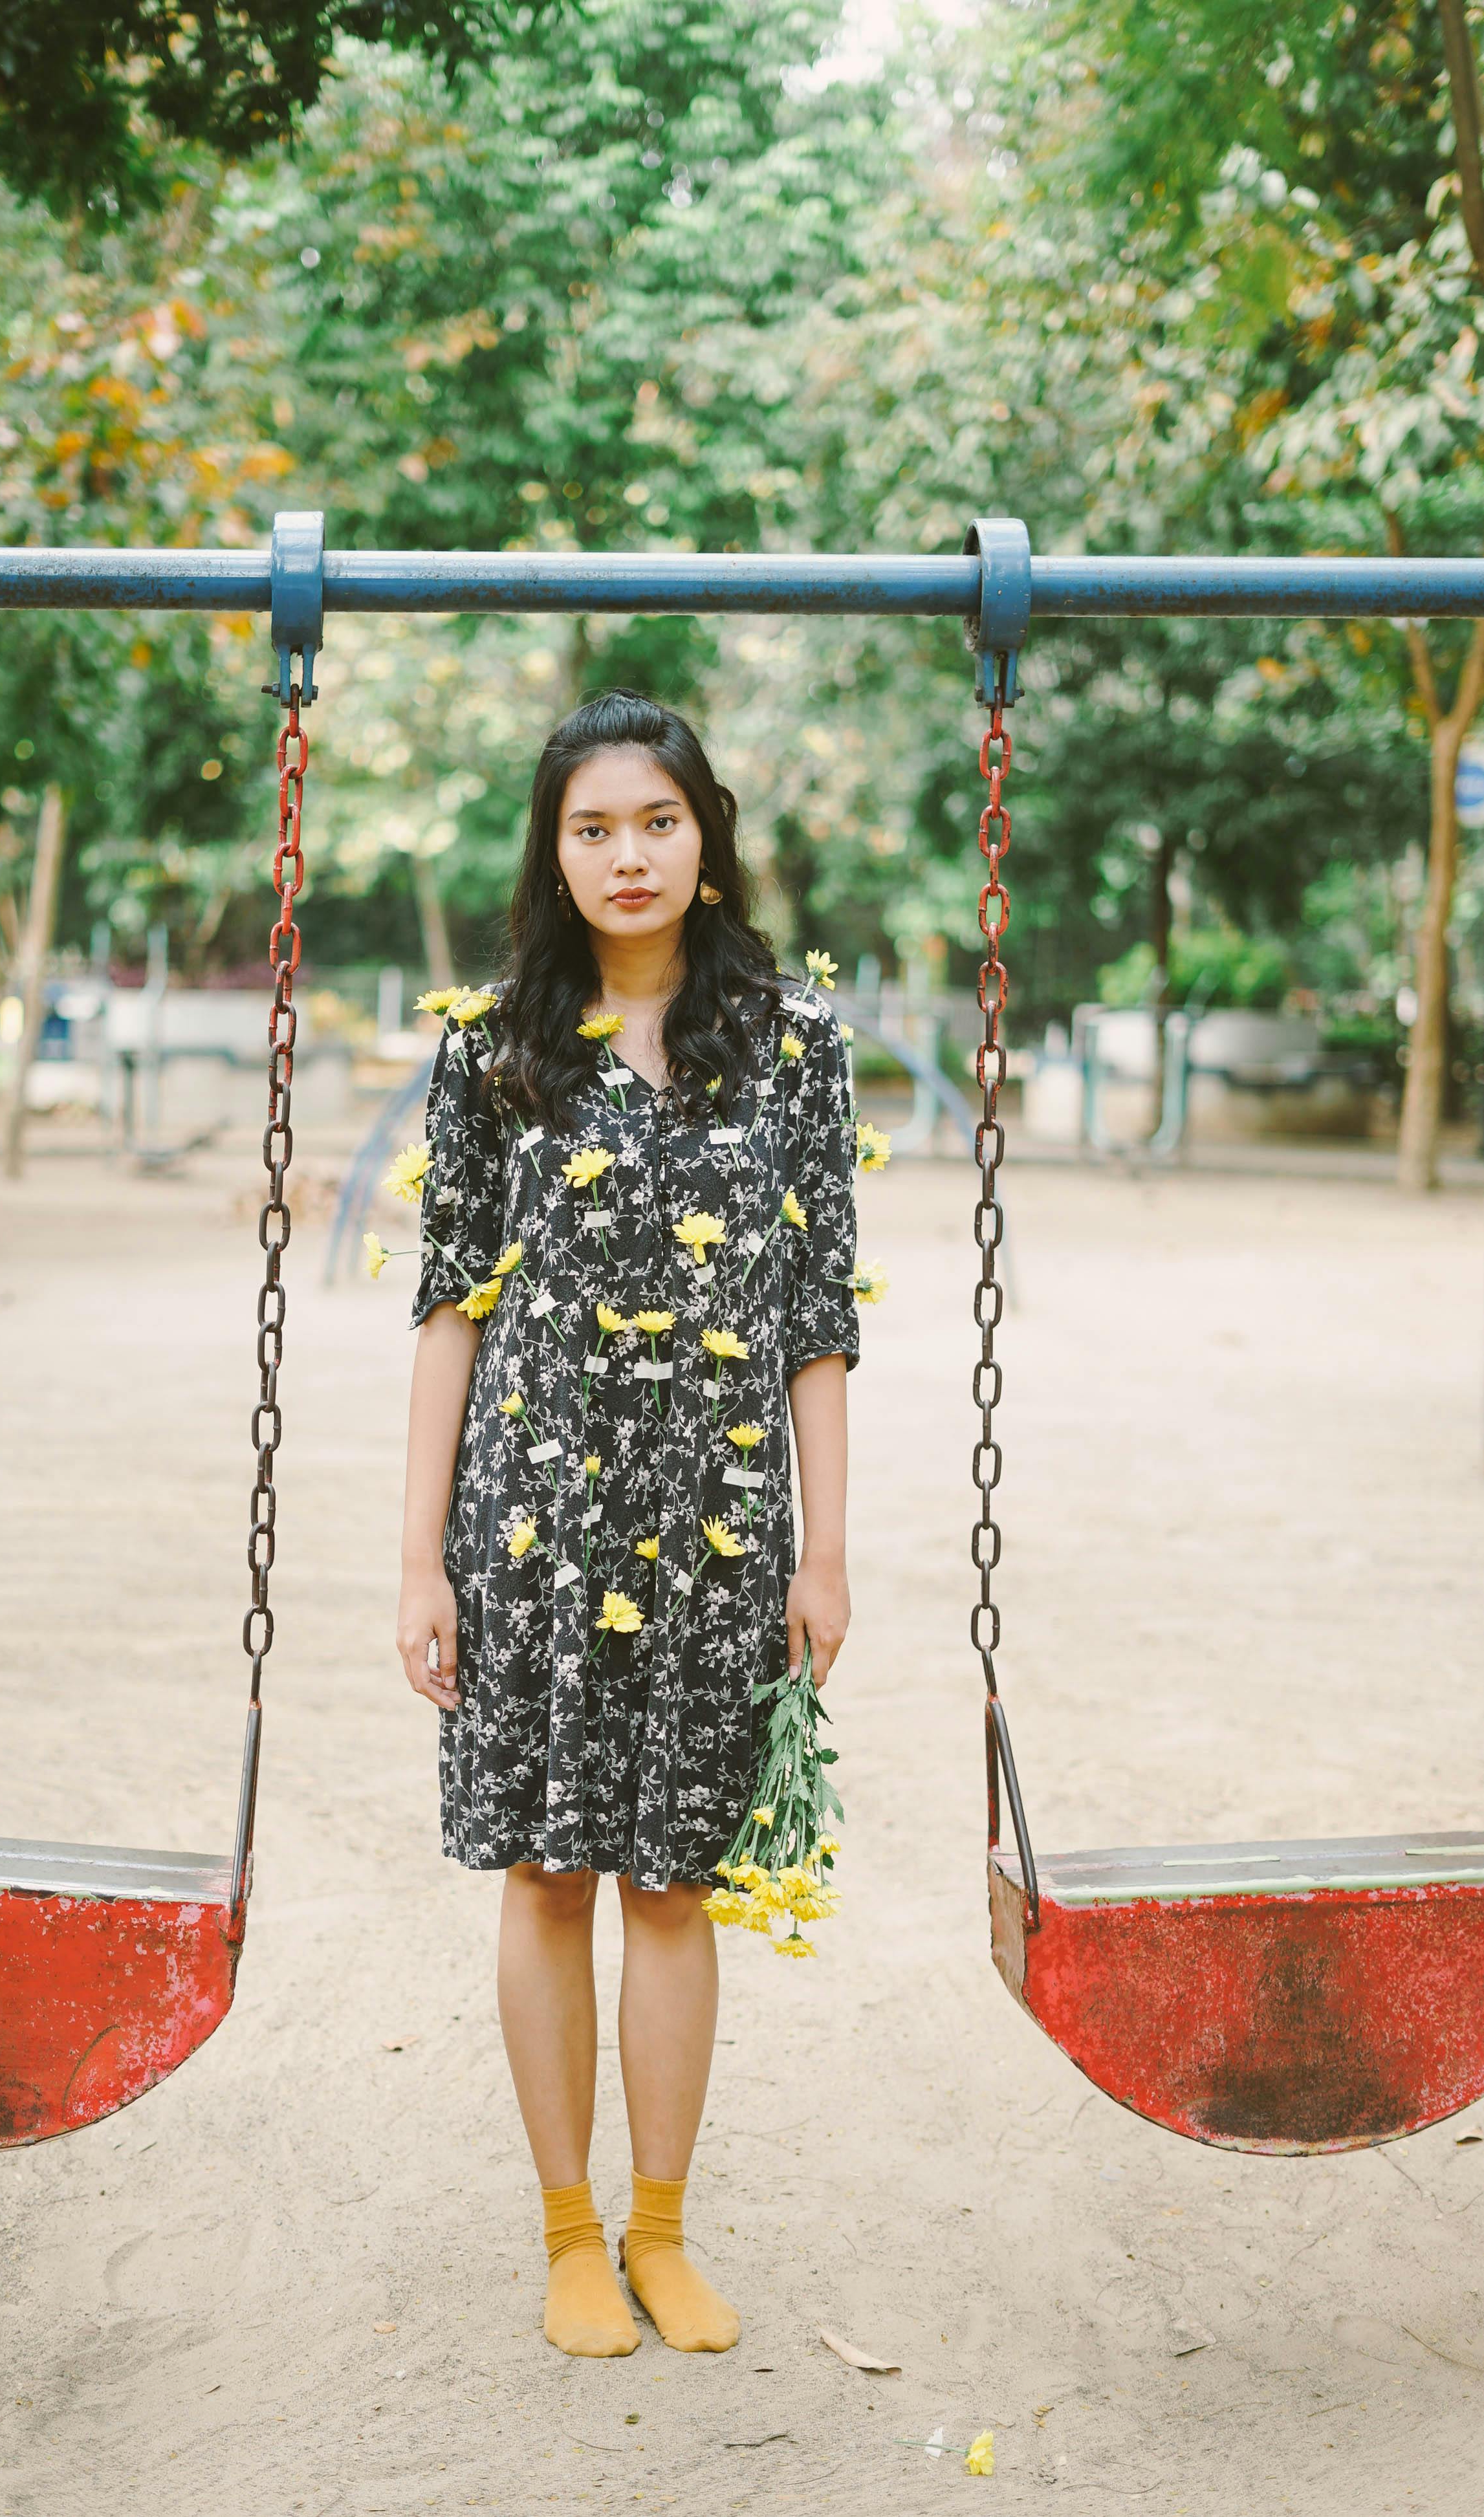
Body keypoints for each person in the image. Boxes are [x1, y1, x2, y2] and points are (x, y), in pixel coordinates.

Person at [394, 691, 858, 2359]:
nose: (628, 855)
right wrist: (419, 1556)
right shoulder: (491, 1048)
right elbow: (450, 1305)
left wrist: (826, 1545)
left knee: (673, 1885)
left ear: (705, 835)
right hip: (531, 1526)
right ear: (556, 851)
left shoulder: (796, 1038)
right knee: (546, 1875)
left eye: (656, 821)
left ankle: (665, 2229)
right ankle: (569, 2235)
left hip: (724, 1525)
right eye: (592, 828)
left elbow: (816, 1311)